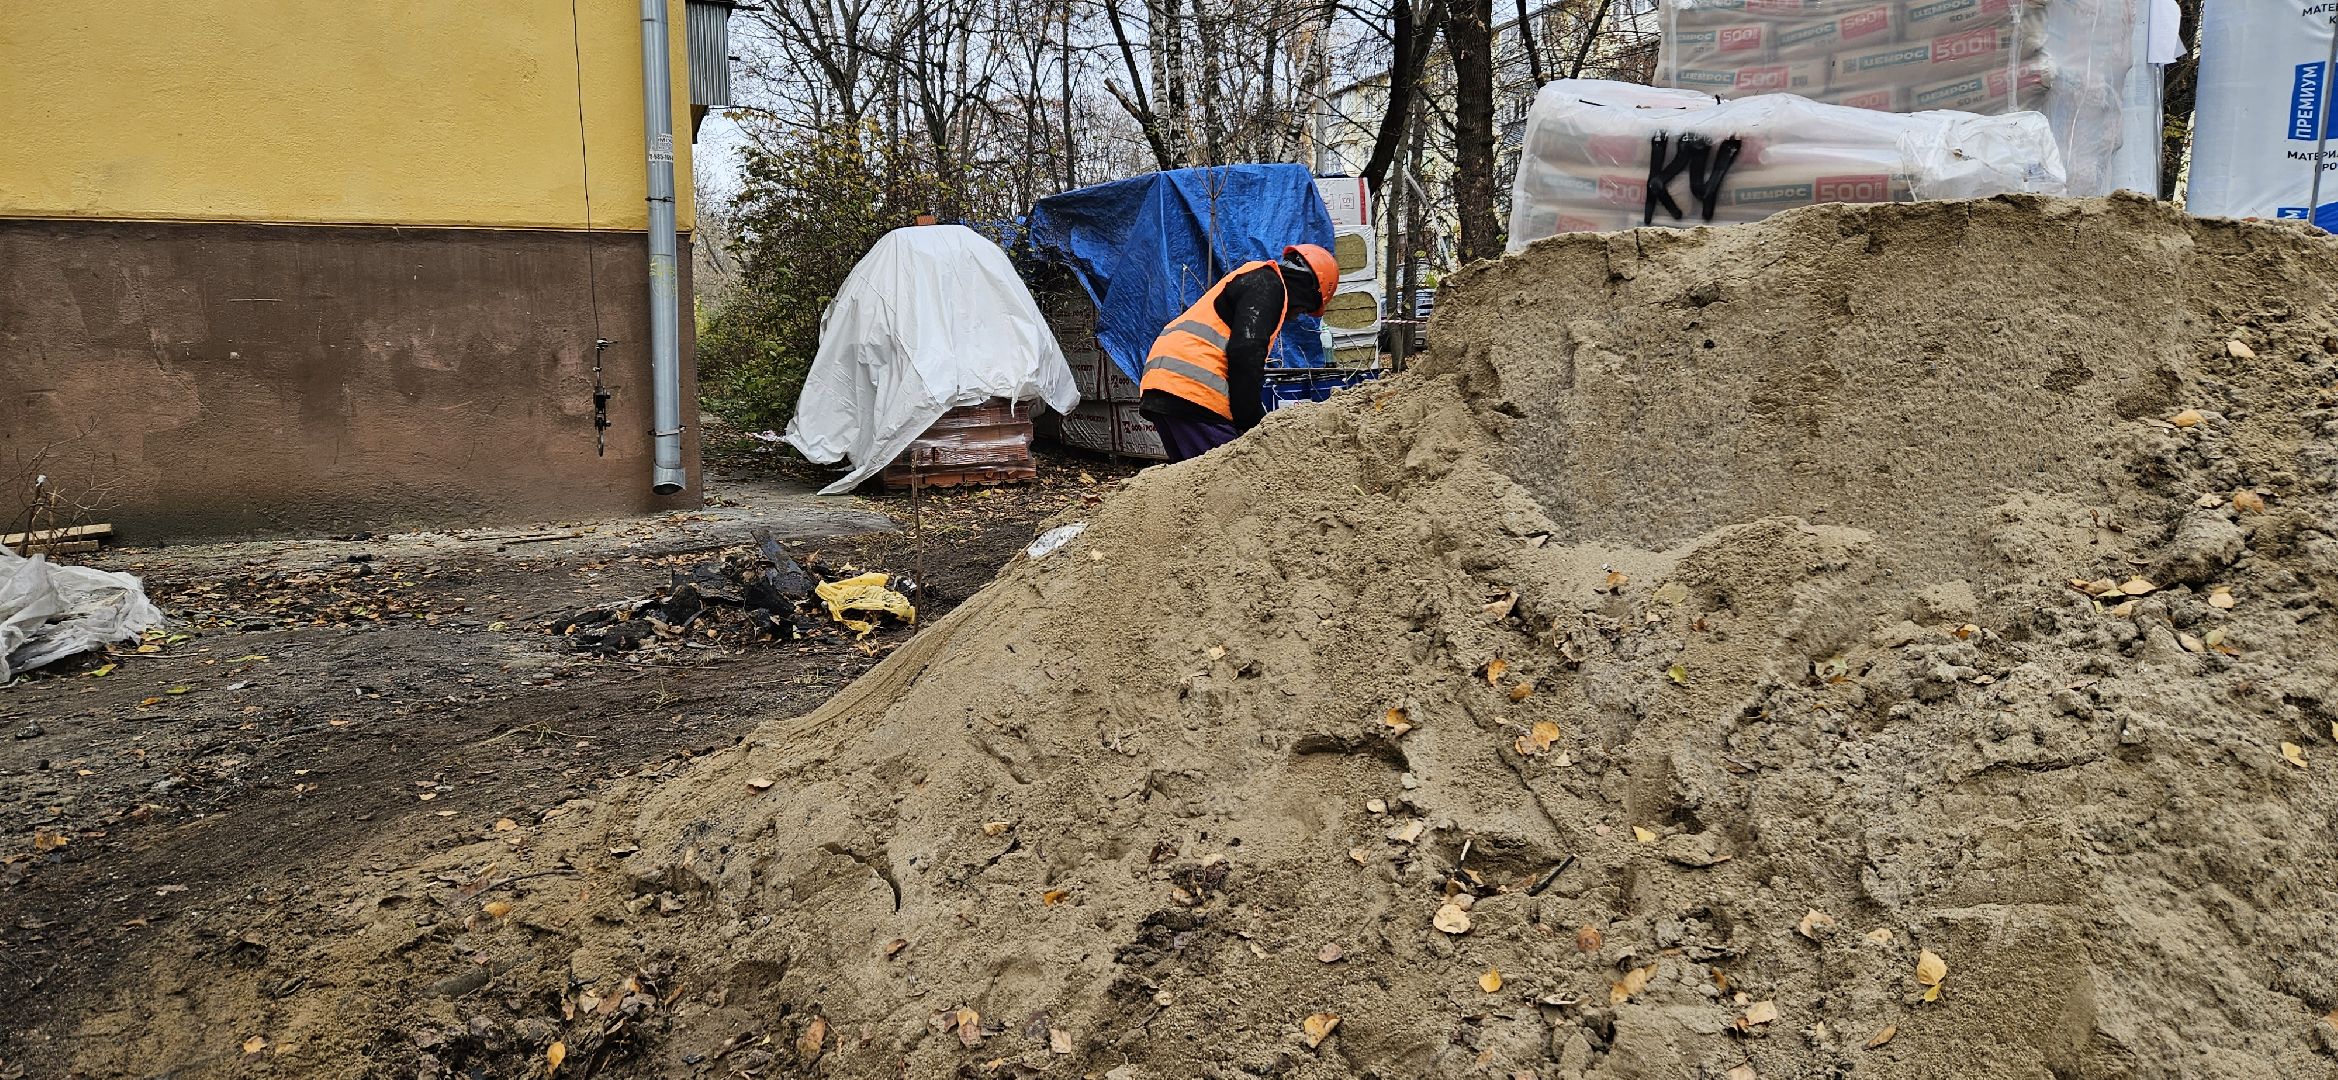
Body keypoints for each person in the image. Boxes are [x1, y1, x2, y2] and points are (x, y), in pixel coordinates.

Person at [1138, 244, 1341, 462]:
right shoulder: (1268, 285)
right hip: (1192, 390)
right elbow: (1245, 352)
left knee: (1197, 480)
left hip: (1165, 382)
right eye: (1304, 309)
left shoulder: (1254, 277)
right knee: (1238, 473)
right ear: (1307, 289)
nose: (1296, 316)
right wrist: (1252, 424)